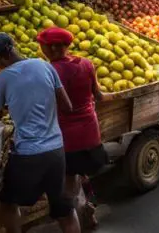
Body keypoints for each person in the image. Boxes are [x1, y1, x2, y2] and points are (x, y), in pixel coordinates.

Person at [0, 34, 80, 233]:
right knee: (64, 210)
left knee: (4, 203)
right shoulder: (44, 65)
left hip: (28, 154)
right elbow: (67, 106)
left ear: (3, 56)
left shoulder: (0, 80)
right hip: (56, 151)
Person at [36, 28, 107, 228]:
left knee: (66, 188)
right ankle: (88, 211)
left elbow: (44, 103)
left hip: (68, 139)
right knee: (79, 173)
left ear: (52, 48)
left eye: (42, 45)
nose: (40, 49)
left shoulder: (49, 71)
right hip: (91, 134)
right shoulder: (86, 63)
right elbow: (98, 95)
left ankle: (73, 220)